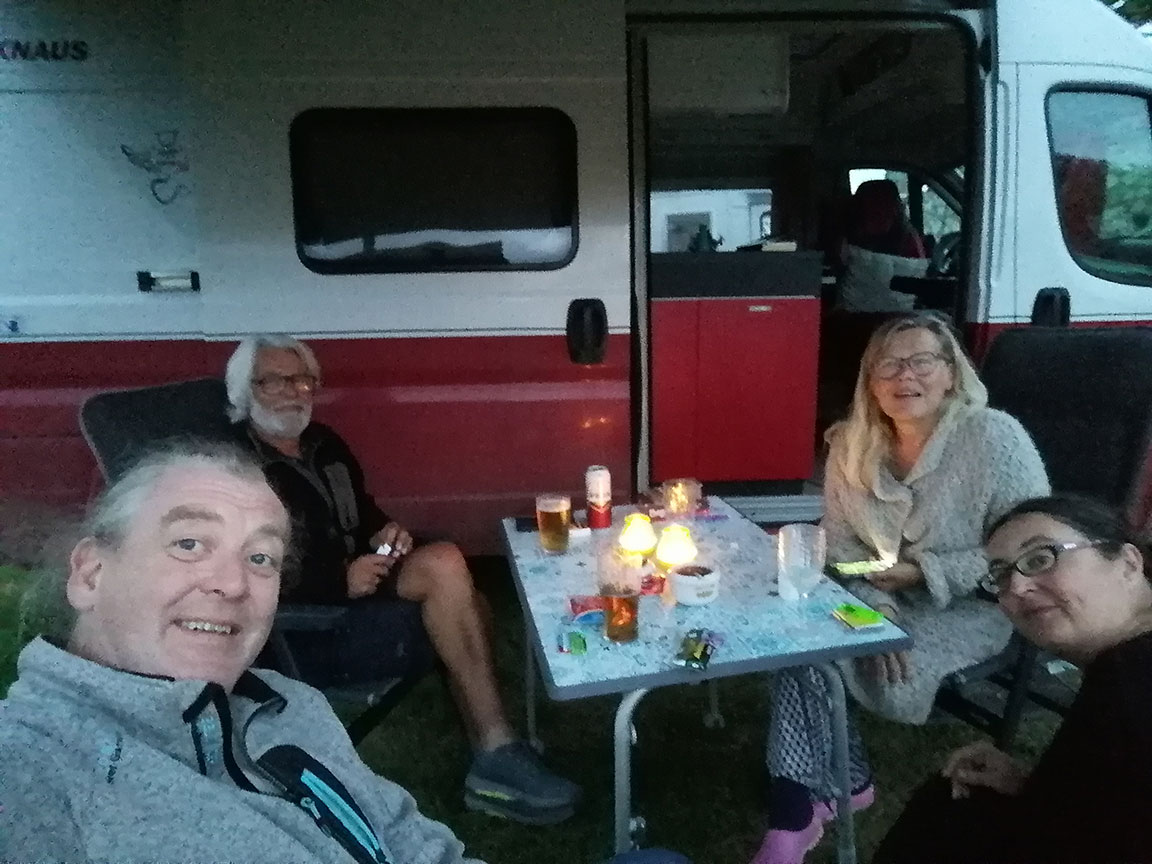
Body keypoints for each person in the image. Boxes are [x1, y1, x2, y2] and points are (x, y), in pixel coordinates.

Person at [0, 443, 485, 863]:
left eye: (260, 558)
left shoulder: (290, 706)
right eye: (189, 543)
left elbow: (415, 844)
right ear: (91, 575)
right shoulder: (33, 765)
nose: (233, 584)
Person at [224, 334, 580, 825]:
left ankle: (495, 750)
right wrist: (336, 581)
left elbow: (363, 512)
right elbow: (240, 565)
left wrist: (384, 533)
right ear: (245, 391)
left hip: (357, 596)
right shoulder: (233, 469)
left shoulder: (324, 444)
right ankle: (496, 753)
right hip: (303, 632)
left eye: (303, 380)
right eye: (274, 381)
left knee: (455, 579)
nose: (292, 392)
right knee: (457, 595)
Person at [751, 313, 1049, 864]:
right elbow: (840, 549)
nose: (904, 375)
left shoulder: (994, 438)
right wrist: (878, 610)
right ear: (870, 381)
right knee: (797, 638)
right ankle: (838, 786)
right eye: (887, 364)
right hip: (877, 597)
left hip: (975, 608)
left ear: (952, 374)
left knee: (818, 654)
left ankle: (796, 812)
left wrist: (926, 573)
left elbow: (1029, 552)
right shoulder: (851, 445)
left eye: (921, 361)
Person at [874, 494, 1152, 864]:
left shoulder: (1129, 690)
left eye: (1041, 558)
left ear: (1128, 563)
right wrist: (1032, 787)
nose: (1017, 588)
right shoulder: (1120, 669)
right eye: (1001, 575)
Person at [836, 179, 929, 313]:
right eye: (875, 207)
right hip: (855, 315)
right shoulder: (846, 237)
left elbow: (919, 279)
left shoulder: (908, 238)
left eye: (886, 205)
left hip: (900, 316)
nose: (881, 211)